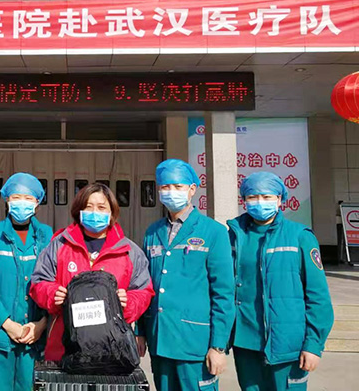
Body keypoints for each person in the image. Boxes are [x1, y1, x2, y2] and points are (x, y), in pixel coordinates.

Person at [228, 172, 334, 391]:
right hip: (246, 342)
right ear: (244, 200)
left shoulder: (300, 236)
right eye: (253, 197)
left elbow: (318, 296)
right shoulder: (234, 237)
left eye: (267, 197)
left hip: (288, 343)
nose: (260, 202)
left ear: (279, 199)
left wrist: (314, 344)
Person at [136, 159, 235, 391]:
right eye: (165, 187)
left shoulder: (214, 232)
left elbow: (223, 293)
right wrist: (140, 332)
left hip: (195, 344)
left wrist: (218, 346)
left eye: (178, 186)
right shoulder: (153, 232)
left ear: (192, 189)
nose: (171, 191)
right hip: (160, 341)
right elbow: (144, 285)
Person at [30, 182, 154, 362]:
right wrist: (53, 294)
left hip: (113, 353)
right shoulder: (60, 245)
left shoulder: (129, 251)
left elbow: (144, 291)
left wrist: (128, 302)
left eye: (102, 207)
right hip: (63, 350)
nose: (95, 212)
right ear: (79, 211)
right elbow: (38, 282)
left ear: (112, 212)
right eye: (88, 207)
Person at [0, 173, 53, 391]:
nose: (22, 203)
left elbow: (55, 282)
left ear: (37, 202)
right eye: (16, 197)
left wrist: (42, 324)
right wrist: (7, 324)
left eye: (28, 198)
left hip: (34, 336)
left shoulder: (47, 236)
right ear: (7, 200)